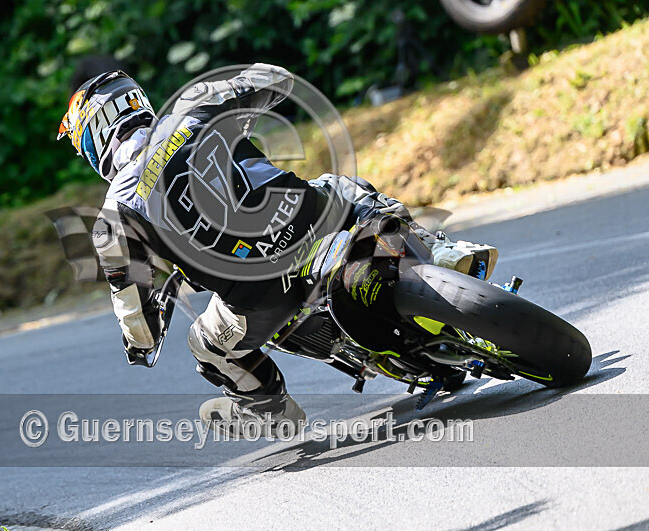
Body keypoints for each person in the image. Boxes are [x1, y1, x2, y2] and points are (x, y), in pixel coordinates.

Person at [57, 64, 498, 438]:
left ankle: (270, 411)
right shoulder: (193, 108)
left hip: (256, 296)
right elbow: (277, 79)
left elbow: (139, 325)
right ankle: (439, 252)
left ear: (96, 138)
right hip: (308, 220)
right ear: (137, 103)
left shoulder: (112, 220)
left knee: (205, 346)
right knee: (343, 188)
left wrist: (139, 345)